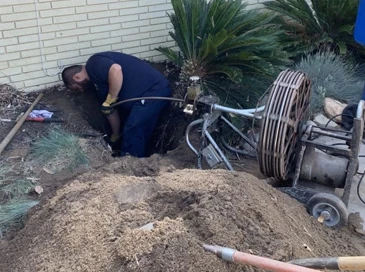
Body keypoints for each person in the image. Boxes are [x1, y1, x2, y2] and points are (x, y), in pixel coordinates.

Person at [61, 51, 172, 157]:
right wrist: (115, 135)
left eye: (76, 88)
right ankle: (136, 156)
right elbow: (110, 110)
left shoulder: (94, 63)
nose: (80, 91)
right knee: (130, 126)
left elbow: (116, 69)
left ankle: (131, 163)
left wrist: (112, 98)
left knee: (133, 127)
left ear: (77, 77)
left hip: (153, 91)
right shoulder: (98, 85)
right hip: (143, 98)